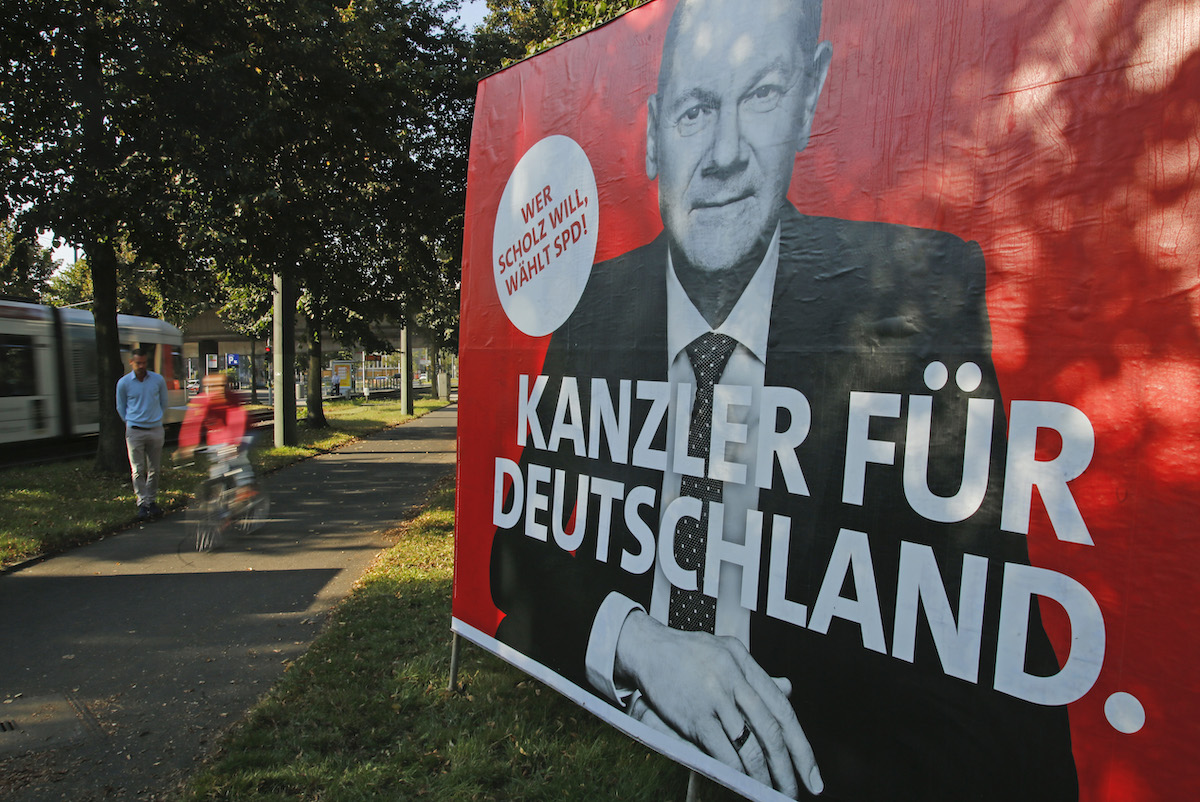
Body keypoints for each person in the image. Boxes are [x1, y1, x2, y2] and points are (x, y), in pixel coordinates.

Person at [488, 0, 1079, 799]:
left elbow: (1001, 697)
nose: (725, 153)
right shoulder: (594, 308)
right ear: (656, 132)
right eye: (698, 109)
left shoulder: (912, 298)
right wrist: (643, 644)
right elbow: (521, 559)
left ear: (810, 100)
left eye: (761, 95)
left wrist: (778, 765)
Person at [116, 347, 168, 521]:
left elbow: (163, 402)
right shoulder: (124, 383)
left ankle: (152, 501)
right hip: (135, 430)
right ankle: (142, 503)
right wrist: (131, 421)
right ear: (131, 362)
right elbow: (120, 406)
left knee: (154, 469)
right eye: (138, 363)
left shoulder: (157, 380)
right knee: (138, 470)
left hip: (155, 429)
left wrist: (155, 419)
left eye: (144, 363)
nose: (142, 366)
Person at [177, 372, 253, 485]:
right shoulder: (201, 401)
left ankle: (245, 488)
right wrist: (187, 446)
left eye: (223, 386)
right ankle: (218, 492)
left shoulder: (232, 399)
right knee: (217, 468)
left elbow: (237, 422)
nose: (219, 389)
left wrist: (234, 444)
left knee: (239, 460)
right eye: (213, 386)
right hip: (218, 439)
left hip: (244, 433)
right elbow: (192, 424)